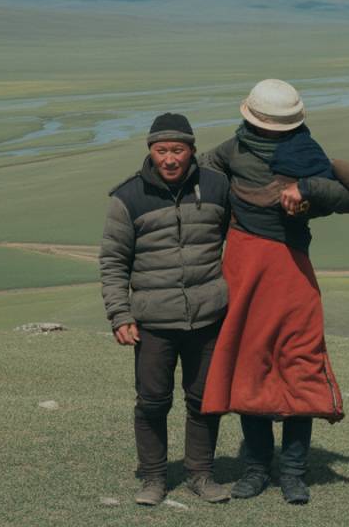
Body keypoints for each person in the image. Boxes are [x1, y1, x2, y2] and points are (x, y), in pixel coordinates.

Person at [199, 79, 349, 505]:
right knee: (251, 366)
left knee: (299, 366)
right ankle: (256, 469)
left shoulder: (308, 159)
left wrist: (311, 185)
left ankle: (294, 471)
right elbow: (204, 166)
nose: (269, 134)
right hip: (244, 273)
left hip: (291, 277)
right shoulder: (232, 149)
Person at [99, 112, 233, 506]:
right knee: (153, 401)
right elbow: (113, 262)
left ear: (192, 150)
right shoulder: (127, 197)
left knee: (204, 399)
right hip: (154, 321)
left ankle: (200, 475)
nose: (170, 159)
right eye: (162, 151)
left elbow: (240, 240)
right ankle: (154, 478)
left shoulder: (217, 186)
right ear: (151, 152)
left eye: (178, 150)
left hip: (208, 316)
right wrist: (119, 316)